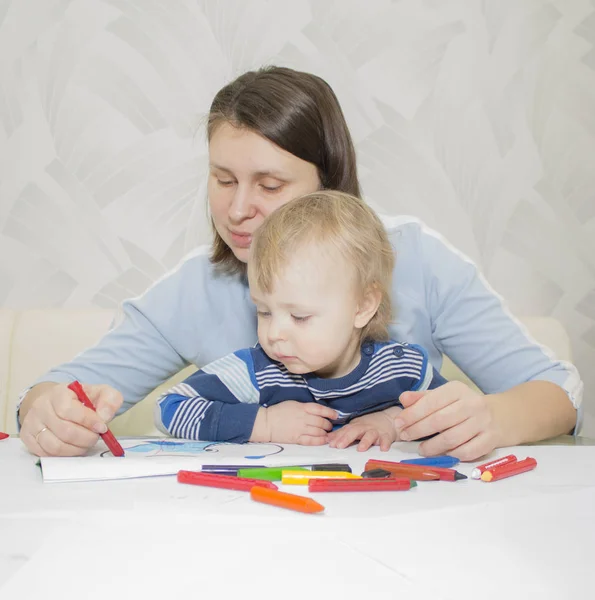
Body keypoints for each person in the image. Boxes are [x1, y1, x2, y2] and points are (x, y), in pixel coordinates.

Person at [17, 66, 582, 460]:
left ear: (329, 185)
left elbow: (557, 395)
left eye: (270, 184)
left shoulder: (419, 259)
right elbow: (56, 393)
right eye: (222, 180)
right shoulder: (196, 286)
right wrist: (47, 414)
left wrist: (492, 418)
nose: (239, 210)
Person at [155, 191, 447, 450]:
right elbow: (169, 409)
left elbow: (450, 417)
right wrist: (264, 423)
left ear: (363, 306)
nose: (274, 334)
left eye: (299, 316)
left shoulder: (403, 368)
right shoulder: (259, 371)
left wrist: (392, 421)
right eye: (264, 311)